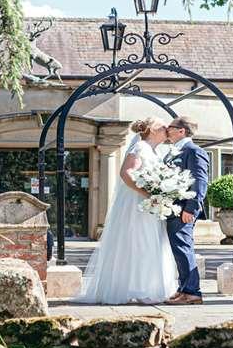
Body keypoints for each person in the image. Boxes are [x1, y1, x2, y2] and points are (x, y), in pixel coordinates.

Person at [72, 117, 179, 304]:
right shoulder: (141, 148)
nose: (167, 129)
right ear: (153, 130)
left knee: (150, 244)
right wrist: (148, 193)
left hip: (151, 206)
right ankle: (138, 289)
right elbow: (126, 173)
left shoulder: (154, 151)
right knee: (140, 243)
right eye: (163, 127)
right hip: (138, 205)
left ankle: (147, 287)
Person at [163, 116, 208, 305]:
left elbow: (200, 182)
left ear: (181, 131)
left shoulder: (194, 151)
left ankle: (192, 293)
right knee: (178, 249)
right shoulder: (175, 151)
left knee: (183, 248)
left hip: (184, 209)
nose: (167, 129)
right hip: (172, 208)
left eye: (170, 127)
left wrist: (191, 208)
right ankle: (184, 289)